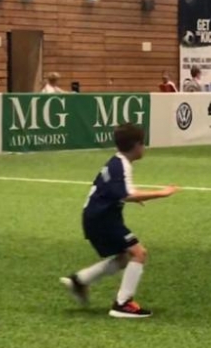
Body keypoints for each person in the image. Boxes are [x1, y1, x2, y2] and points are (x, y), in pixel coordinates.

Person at [60, 124, 178, 319]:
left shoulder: (117, 162)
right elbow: (127, 194)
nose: (144, 148)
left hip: (96, 217)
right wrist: (162, 193)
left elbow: (116, 190)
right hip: (102, 219)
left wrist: (134, 197)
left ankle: (79, 281)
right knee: (139, 253)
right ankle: (123, 304)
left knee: (124, 257)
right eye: (143, 144)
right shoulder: (121, 165)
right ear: (136, 146)